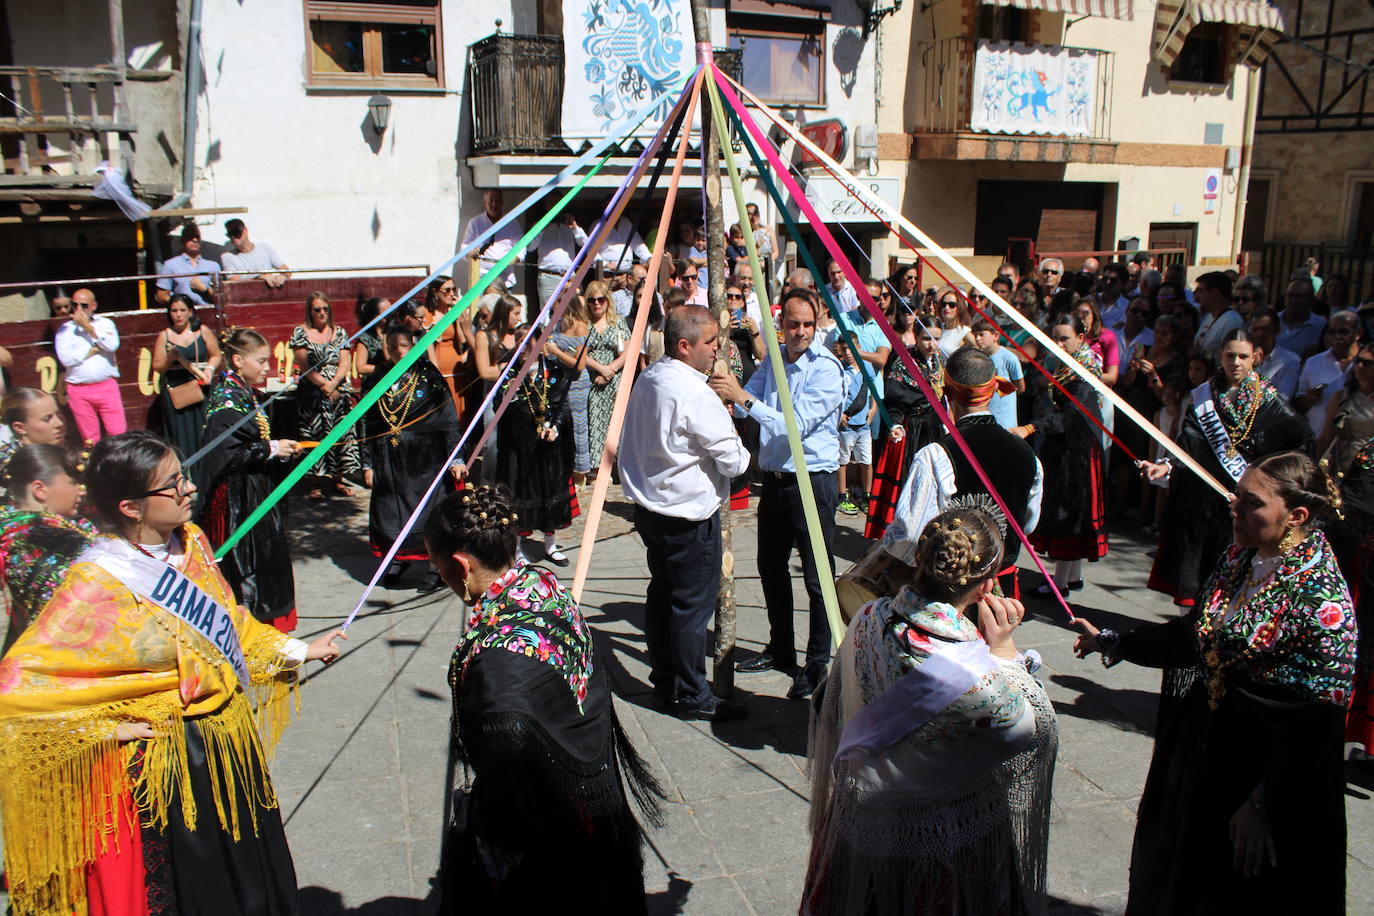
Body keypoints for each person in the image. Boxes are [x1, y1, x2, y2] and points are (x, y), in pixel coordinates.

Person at [0, 431, 343, 916]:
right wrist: (103, 728)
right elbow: (19, 688)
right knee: (195, 883)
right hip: (168, 762)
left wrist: (297, 650)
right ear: (131, 506)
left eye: (183, 476)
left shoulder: (193, 540)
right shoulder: (96, 582)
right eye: (172, 484)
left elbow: (229, 621)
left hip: (226, 742)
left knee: (249, 868)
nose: (188, 489)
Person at [1073, 452, 1355, 914]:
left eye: (1252, 503)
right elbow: (1195, 635)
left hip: (1268, 774)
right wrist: (1117, 642)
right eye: (1237, 496)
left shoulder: (1323, 603)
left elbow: (1316, 726)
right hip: (1207, 749)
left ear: (1297, 516)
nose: (1235, 509)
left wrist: (1260, 803)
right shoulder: (1239, 556)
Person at [804, 508, 1057, 916]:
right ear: (987, 587)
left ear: (919, 560)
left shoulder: (869, 617)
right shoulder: (975, 674)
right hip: (943, 837)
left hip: (866, 820)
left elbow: (836, 696)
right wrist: (1006, 653)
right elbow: (1030, 729)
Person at [425, 485, 662, 911]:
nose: (440, 576)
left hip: (551, 844)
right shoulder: (542, 583)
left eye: (437, 567)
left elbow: (515, 799)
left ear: (461, 566)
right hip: (595, 799)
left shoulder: (498, 677)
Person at [709, 288, 844, 700]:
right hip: (777, 481)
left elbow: (793, 425)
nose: (800, 332)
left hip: (812, 480)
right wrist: (724, 387)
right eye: (792, 324)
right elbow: (744, 390)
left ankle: (818, 660)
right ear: (780, 324)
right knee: (770, 566)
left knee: (818, 578)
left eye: (807, 323)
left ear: (818, 321)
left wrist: (743, 398)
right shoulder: (775, 359)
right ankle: (781, 646)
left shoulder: (827, 368)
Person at [620, 306, 750, 720]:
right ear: (684, 345)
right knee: (691, 609)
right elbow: (735, 462)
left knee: (662, 597)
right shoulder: (694, 393)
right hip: (688, 518)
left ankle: (665, 684)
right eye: (710, 343)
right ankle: (694, 695)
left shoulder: (650, 376)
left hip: (652, 511)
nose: (717, 350)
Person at [1142, 329, 1315, 605]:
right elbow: (1188, 440)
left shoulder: (1270, 401)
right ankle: (1186, 629)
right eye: (1230, 355)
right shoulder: (1203, 396)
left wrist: (1276, 485)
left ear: (1255, 358)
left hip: (1239, 500)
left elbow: (1300, 441)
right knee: (1192, 568)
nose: (1236, 362)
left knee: (1228, 573)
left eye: (1243, 356)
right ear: (1220, 357)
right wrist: (1168, 465)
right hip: (1200, 494)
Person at [880, 347, 1042, 598]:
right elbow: (1028, 525)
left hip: (948, 594)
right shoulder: (1028, 455)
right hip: (1000, 596)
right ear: (992, 392)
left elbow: (909, 535)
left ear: (946, 392)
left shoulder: (935, 455)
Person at [198, 328, 304, 631]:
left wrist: (278, 450)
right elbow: (226, 453)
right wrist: (270, 448)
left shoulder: (244, 393)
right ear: (238, 360)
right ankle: (249, 624)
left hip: (253, 491)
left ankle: (266, 620)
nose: (267, 367)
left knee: (265, 555)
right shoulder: (226, 400)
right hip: (236, 500)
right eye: (261, 361)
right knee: (246, 560)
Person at [361, 326, 463, 592]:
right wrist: (368, 463)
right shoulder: (377, 378)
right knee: (390, 512)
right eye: (391, 346)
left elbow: (448, 419)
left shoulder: (428, 376)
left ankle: (434, 568)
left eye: (403, 345)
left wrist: (456, 458)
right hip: (389, 458)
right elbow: (367, 423)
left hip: (425, 459)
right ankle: (396, 559)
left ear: (414, 346)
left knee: (427, 513)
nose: (397, 351)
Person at [1016, 317, 1109, 594]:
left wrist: (1032, 427)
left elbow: (1071, 416)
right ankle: (1072, 576)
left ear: (1081, 337)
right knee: (1068, 510)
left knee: (1070, 512)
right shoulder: (1067, 364)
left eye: (1064, 338)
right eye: (1054, 337)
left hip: (1077, 451)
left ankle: (1059, 583)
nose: (1058, 344)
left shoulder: (1085, 370)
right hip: (1067, 444)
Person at [493, 315, 578, 565]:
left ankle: (550, 545)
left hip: (547, 447)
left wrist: (555, 427)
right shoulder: (508, 375)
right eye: (518, 343)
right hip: (518, 448)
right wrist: (508, 397)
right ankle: (518, 550)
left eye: (528, 343)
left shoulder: (553, 372)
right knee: (519, 497)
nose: (523, 349)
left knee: (549, 493)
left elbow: (562, 407)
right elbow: (499, 409)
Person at [0, 444, 95, 654]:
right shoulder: (32, 539)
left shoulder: (66, 526)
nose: (81, 489)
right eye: (72, 482)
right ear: (40, 490)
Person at [863, 316, 945, 541]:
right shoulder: (904, 362)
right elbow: (895, 399)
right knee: (911, 482)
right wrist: (896, 424)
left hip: (934, 429)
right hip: (914, 430)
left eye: (936, 338)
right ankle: (904, 535)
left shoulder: (939, 362)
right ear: (916, 338)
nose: (931, 344)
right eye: (926, 338)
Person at [290, 292, 360, 499]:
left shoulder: (339, 332)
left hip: (338, 390)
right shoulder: (301, 333)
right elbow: (304, 364)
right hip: (313, 391)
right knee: (313, 435)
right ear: (310, 312)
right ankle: (315, 482)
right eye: (317, 309)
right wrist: (325, 386)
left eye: (325, 309)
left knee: (341, 435)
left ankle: (338, 479)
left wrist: (335, 383)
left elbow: (345, 360)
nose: (322, 313)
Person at [151, 293, 221, 477]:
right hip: (177, 389)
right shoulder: (165, 335)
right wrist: (170, 358)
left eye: (182, 310)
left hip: (200, 386)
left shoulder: (202, 331)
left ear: (190, 312)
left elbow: (215, 354)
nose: (178, 315)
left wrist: (210, 370)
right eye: (174, 311)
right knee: (180, 435)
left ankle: (206, 474)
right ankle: (185, 476)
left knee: (203, 430)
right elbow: (158, 366)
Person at [54, 287, 126, 443]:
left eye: (84, 305)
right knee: (90, 438)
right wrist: (91, 350)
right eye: (75, 304)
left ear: (94, 306)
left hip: (106, 385)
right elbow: (67, 360)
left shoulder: (105, 323)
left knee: (117, 432)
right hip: (79, 388)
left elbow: (111, 345)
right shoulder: (65, 330)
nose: (79, 309)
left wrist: (88, 327)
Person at [584, 281, 632, 477]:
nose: (596, 303)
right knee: (594, 421)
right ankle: (597, 467)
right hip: (591, 377)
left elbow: (628, 351)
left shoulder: (618, 322)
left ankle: (618, 465)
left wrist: (610, 370)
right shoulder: (584, 324)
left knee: (617, 422)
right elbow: (580, 353)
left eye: (601, 299)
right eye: (592, 300)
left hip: (615, 378)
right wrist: (600, 369)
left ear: (607, 301)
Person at [1293, 310, 1359, 436]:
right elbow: (1298, 404)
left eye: (1343, 332)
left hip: (1353, 442)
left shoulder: (1366, 364)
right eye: (1332, 332)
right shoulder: (1313, 362)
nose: (1337, 336)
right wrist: (1307, 399)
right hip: (1316, 437)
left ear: (1358, 333)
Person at [833, 338, 876, 516]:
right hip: (847, 425)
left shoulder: (868, 368)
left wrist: (873, 409)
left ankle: (867, 495)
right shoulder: (841, 370)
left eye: (851, 348)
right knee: (843, 461)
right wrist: (840, 413)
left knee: (866, 461)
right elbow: (835, 394)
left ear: (858, 347)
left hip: (863, 425)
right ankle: (842, 495)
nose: (848, 353)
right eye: (844, 349)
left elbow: (873, 391)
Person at [460, 189, 524, 291]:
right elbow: (465, 246)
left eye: (497, 201)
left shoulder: (512, 222)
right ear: (485, 203)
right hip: (481, 279)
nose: (494, 205)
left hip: (505, 279)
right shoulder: (475, 222)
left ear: (502, 203)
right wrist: (470, 252)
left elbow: (521, 246)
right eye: (491, 201)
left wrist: (515, 258)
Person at [0, 387, 67, 476]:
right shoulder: (11, 467)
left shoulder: (59, 452)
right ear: (20, 428)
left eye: (58, 414)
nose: (59, 423)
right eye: (47, 419)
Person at [971, 318, 1023, 429]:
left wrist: (1004, 394)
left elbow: (1020, 387)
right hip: (985, 416)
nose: (977, 339)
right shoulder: (978, 358)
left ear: (995, 335)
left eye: (981, 335)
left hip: (1005, 420)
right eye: (975, 335)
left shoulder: (1009, 358)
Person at [532, 211, 588, 308]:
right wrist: (541, 229)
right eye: (551, 203)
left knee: (573, 310)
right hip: (548, 276)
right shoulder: (539, 224)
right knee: (547, 313)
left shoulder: (571, 226)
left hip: (568, 276)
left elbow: (587, 245)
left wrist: (575, 228)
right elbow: (530, 247)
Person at [156, 222, 220, 305]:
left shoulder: (213, 266)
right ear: (182, 240)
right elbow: (161, 295)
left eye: (197, 237)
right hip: (182, 316)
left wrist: (204, 290)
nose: (195, 240)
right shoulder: (170, 265)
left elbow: (220, 296)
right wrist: (181, 306)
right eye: (190, 236)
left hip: (207, 312)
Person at [1246, 306, 1301, 401]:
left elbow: (1283, 398)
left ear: (1277, 330)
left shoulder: (1290, 360)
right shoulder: (1242, 358)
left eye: (1264, 329)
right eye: (1255, 329)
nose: (1260, 334)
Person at [220, 219, 290, 287]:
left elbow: (286, 271)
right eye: (230, 234)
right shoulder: (227, 257)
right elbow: (233, 283)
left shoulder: (265, 248)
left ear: (245, 230)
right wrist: (258, 279)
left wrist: (282, 277)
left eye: (236, 232)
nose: (233, 237)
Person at [1194, 271, 1244, 357]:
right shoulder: (1208, 316)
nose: (1197, 296)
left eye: (1201, 291)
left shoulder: (1232, 322)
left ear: (1215, 292)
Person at [1277, 277, 1327, 359]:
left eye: (1300, 296)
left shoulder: (1321, 325)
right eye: (1290, 295)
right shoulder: (1273, 321)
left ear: (1311, 300)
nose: (1294, 300)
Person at [933, 287, 974, 357]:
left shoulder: (964, 331)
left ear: (959, 307)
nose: (946, 307)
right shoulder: (938, 327)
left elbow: (977, 350)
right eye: (943, 304)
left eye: (952, 305)